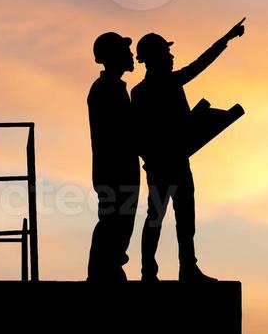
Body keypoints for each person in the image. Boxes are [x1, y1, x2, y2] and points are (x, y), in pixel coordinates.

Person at [131, 19, 246, 282]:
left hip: (174, 163)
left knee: (180, 217)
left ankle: (182, 268)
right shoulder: (155, 88)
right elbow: (137, 133)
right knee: (159, 218)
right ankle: (154, 271)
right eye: (167, 52)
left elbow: (201, 64)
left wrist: (226, 38)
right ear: (154, 58)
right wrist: (226, 38)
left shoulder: (149, 89)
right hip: (165, 165)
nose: (171, 56)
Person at [87, 32, 142, 282]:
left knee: (119, 223)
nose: (130, 54)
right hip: (114, 170)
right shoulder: (105, 90)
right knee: (113, 222)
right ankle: (102, 273)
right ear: (112, 56)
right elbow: (120, 131)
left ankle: (108, 269)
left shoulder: (114, 89)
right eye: (124, 49)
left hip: (120, 168)